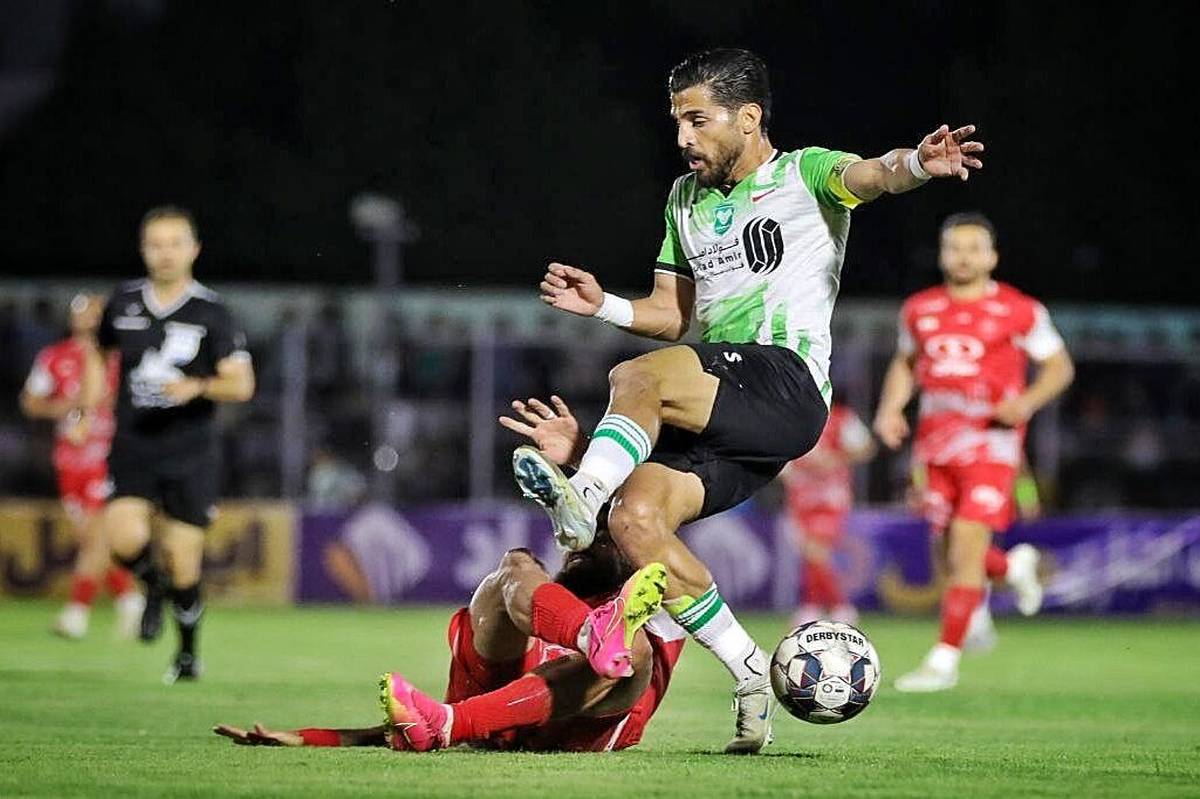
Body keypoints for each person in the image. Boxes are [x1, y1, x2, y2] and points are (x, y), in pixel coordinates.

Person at [509, 47, 984, 751]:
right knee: (637, 521)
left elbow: (874, 174)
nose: (682, 137)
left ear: (749, 117)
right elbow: (673, 314)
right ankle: (751, 669)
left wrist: (916, 162)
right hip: (726, 403)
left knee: (635, 379)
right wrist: (603, 304)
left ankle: (581, 495)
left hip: (785, 381)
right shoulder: (684, 199)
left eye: (698, 120)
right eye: (677, 121)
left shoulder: (805, 173)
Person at [214, 521, 683, 752]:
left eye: (606, 536)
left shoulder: (663, 586)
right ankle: (589, 633)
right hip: (494, 710)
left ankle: (452, 723)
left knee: (633, 649)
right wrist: (312, 739)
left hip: (588, 724)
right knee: (515, 565)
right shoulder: (552, 593)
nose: (590, 540)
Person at [873, 212, 1074, 692]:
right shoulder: (919, 309)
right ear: (942, 255)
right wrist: (890, 408)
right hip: (934, 446)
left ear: (992, 257)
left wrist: (1026, 402)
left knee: (965, 545)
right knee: (951, 549)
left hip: (990, 443)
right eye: (954, 248)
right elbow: (905, 363)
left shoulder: (1019, 310)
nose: (963, 257)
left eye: (973, 248)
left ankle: (943, 661)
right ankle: (1012, 566)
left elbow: (1059, 367)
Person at [87, 206, 256, 683]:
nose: (165, 253)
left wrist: (196, 387)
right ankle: (153, 586)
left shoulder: (212, 312)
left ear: (194, 249)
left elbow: (242, 385)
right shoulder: (123, 301)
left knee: (184, 561)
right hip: (134, 444)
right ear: (143, 249)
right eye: (155, 244)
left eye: (175, 243)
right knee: (122, 538)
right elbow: (99, 351)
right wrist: (89, 404)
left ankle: (186, 655)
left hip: (190, 451)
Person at [19, 293, 143, 640]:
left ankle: (77, 613)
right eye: (82, 312)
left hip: (109, 457)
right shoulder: (54, 357)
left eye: (95, 313)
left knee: (95, 535)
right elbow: (30, 402)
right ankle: (131, 601)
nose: (89, 318)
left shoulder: (121, 358)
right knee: (91, 539)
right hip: (70, 459)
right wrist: (61, 408)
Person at [780, 400, 876, 627]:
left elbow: (866, 448)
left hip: (830, 494)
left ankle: (830, 606)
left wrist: (837, 457)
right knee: (809, 552)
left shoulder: (841, 418)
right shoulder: (791, 417)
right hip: (801, 494)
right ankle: (824, 606)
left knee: (816, 551)